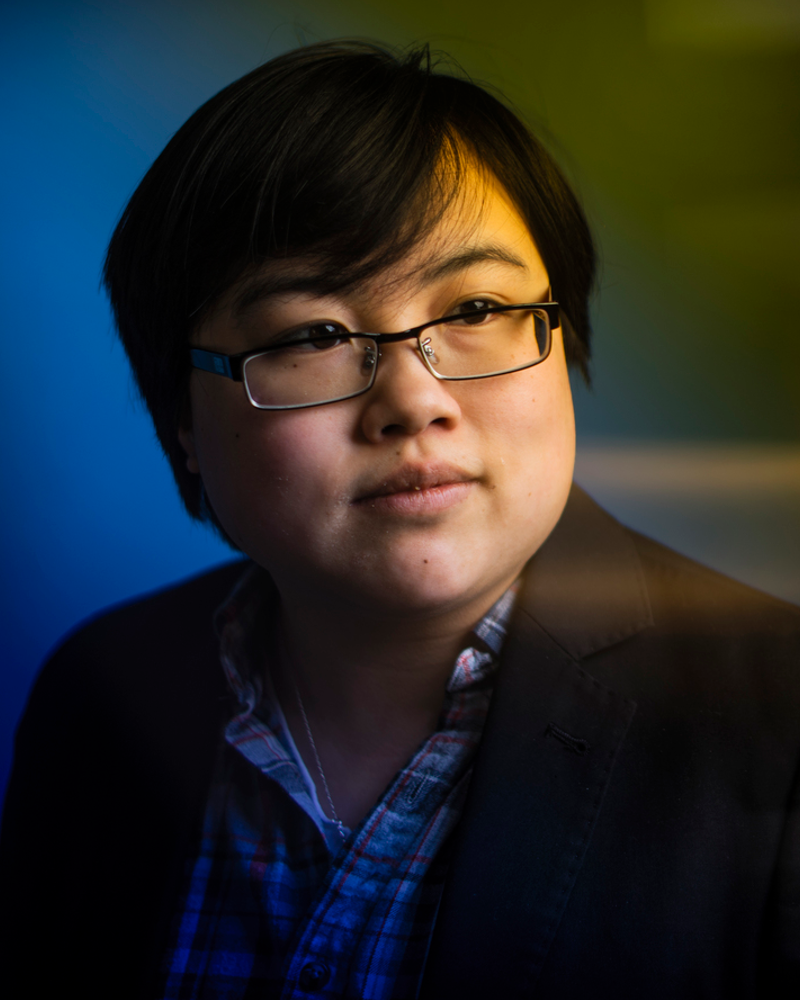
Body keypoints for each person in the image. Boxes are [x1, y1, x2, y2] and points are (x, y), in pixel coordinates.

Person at [1, 40, 798, 1000]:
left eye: (476, 305)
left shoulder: (779, 726)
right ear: (182, 423)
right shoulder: (104, 694)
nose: (414, 402)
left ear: (565, 340)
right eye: (313, 336)